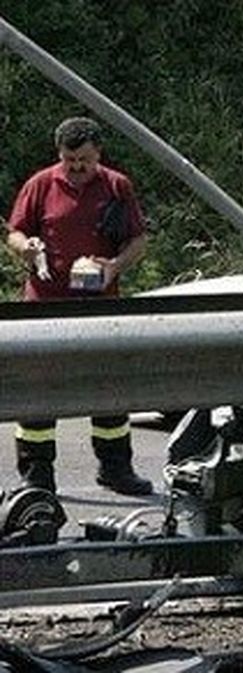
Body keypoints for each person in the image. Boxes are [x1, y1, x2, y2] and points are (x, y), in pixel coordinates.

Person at [5, 117, 153, 495]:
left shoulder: (117, 186)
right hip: (45, 305)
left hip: (99, 306)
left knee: (107, 387)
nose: (76, 167)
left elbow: (138, 241)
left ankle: (115, 467)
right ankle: (37, 474)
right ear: (60, 155)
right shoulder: (40, 184)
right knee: (40, 391)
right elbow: (16, 233)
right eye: (69, 160)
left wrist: (114, 267)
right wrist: (28, 247)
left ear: (98, 154)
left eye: (84, 160)